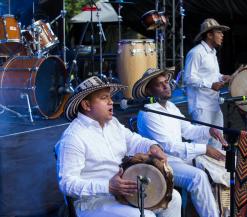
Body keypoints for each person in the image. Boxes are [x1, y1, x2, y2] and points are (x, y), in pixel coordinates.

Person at [55, 76, 181, 217]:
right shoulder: (73, 137)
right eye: (104, 98)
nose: (111, 102)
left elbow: (134, 140)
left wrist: (153, 146)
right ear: (86, 105)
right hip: (93, 203)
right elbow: (67, 184)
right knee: (145, 216)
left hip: (122, 193)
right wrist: (107, 186)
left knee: (173, 198)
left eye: (110, 97)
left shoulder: (112, 123)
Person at [133, 68, 230, 217]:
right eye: (160, 84)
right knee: (198, 177)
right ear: (149, 90)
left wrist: (209, 130)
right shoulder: (148, 113)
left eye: (166, 82)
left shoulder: (170, 107)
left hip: (180, 159)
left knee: (224, 164)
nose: (166, 86)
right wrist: (205, 149)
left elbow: (188, 130)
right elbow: (169, 147)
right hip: (162, 164)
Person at [184, 18, 231, 149]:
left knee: (218, 142)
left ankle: (214, 170)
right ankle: (198, 169)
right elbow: (188, 78)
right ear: (209, 35)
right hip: (201, 105)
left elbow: (212, 75)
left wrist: (222, 77)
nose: (222, 35)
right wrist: (210, 85)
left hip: (214, 103)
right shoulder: (196, 53)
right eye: (219, 32)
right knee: (201, 144)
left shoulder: (212, 53)